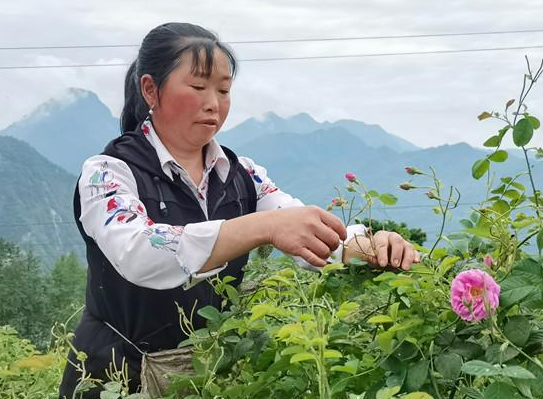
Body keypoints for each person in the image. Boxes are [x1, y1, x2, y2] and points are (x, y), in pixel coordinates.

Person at [59, 22, 419, 397]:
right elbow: (138, 250)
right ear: (151, 89)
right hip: (113, 376)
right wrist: (263, 226)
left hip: (206, 376)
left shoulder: (241, 174)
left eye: (224, 90)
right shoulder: (109, 172)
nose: (213, 102)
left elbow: (302, 227)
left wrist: (374, 247)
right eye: (198, 87)